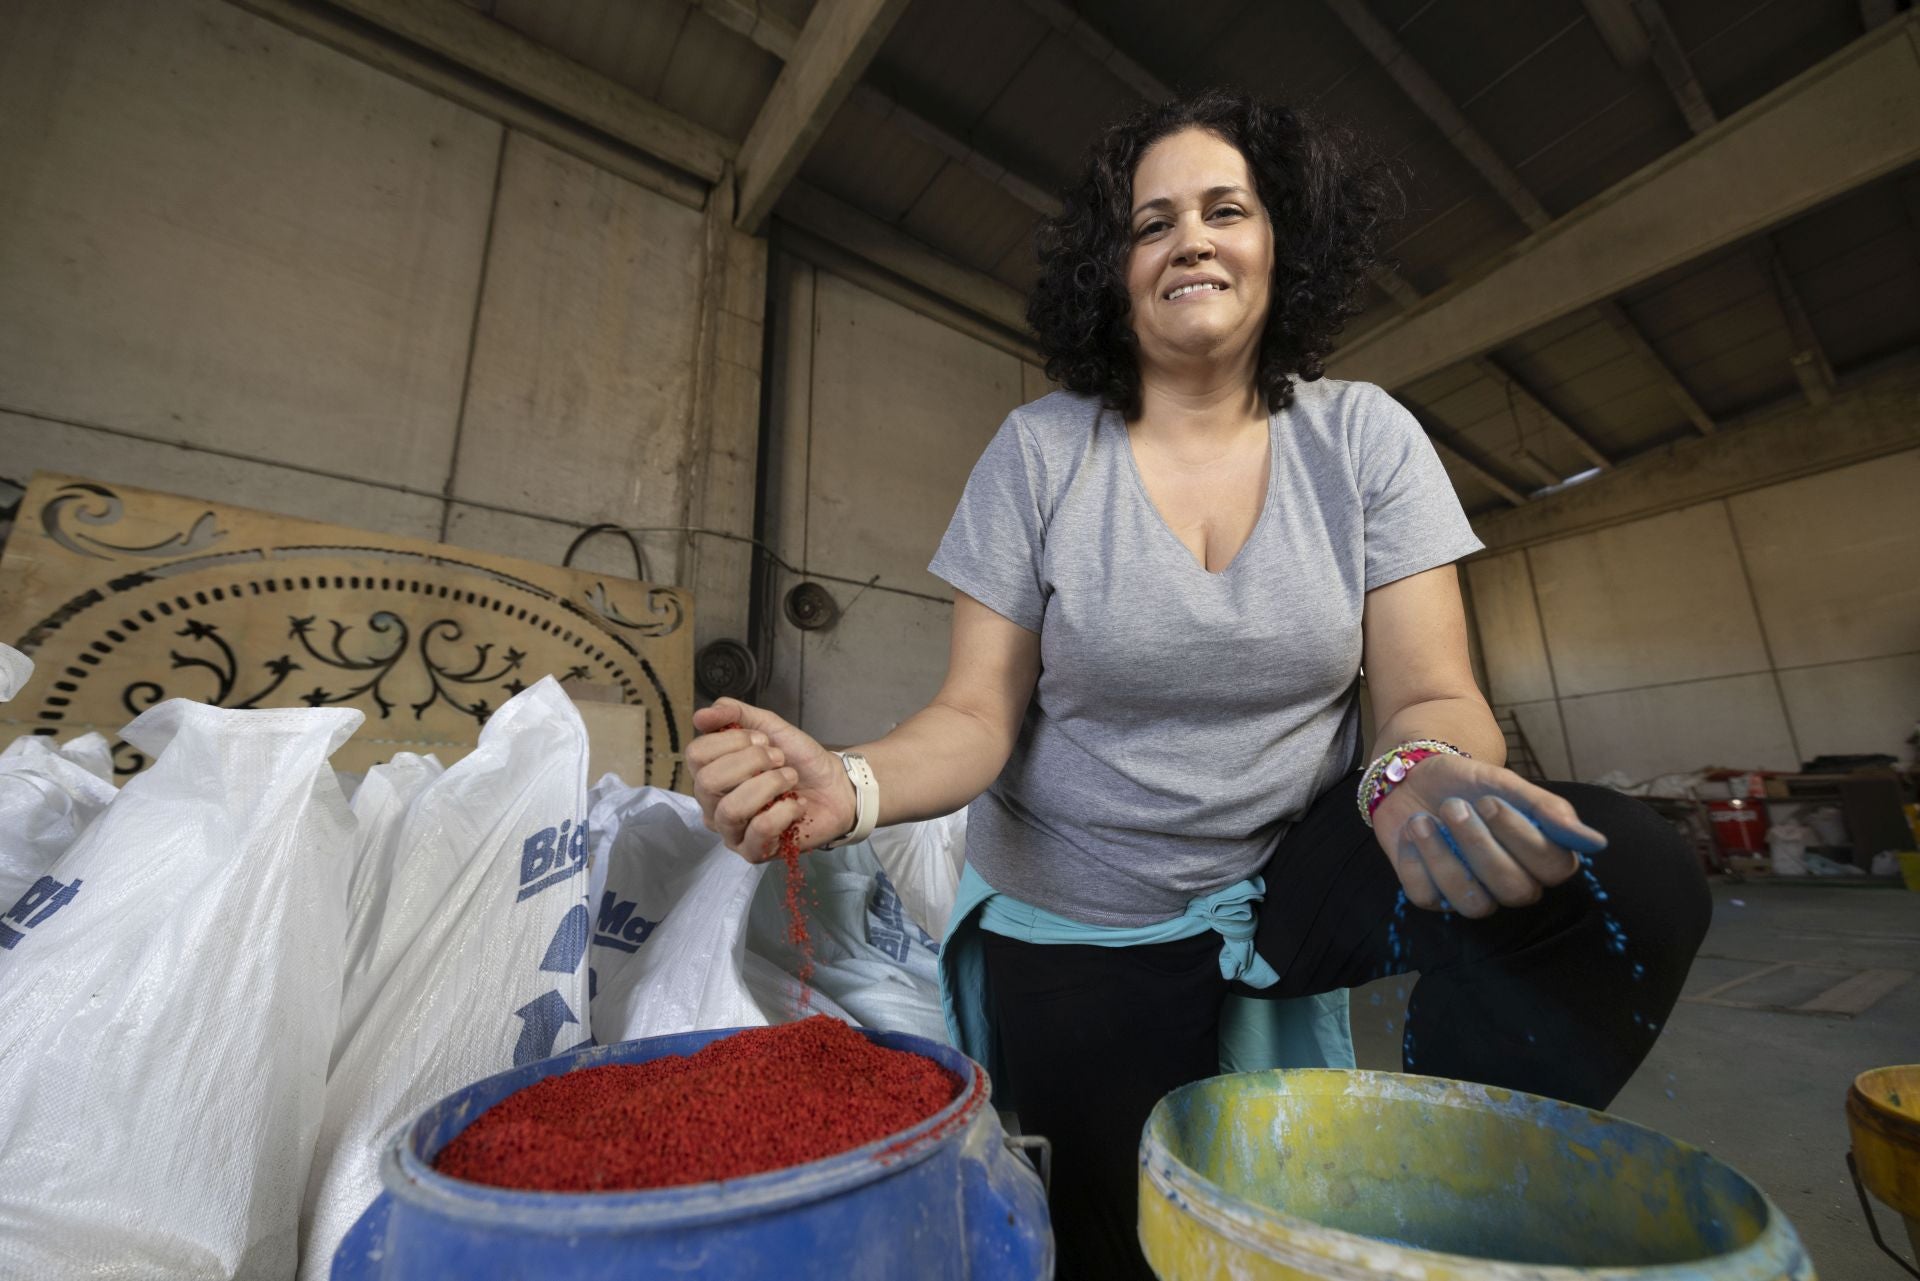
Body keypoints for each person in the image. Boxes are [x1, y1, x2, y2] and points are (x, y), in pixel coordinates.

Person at [688, 89, 1710, 1280]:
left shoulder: (1364, 437)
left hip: (1297, 877)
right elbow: (973, 717)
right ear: (1115, 271)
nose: (1193, 238)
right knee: (1133, 1249)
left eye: (1228, 208)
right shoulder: (1040, 453)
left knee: (1625, 878)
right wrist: (848, 784)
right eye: (1153, 220)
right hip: (1086, 910)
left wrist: (1420, 775)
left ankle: (1443, 1180)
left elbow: (1429, 690)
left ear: (1281, 243)